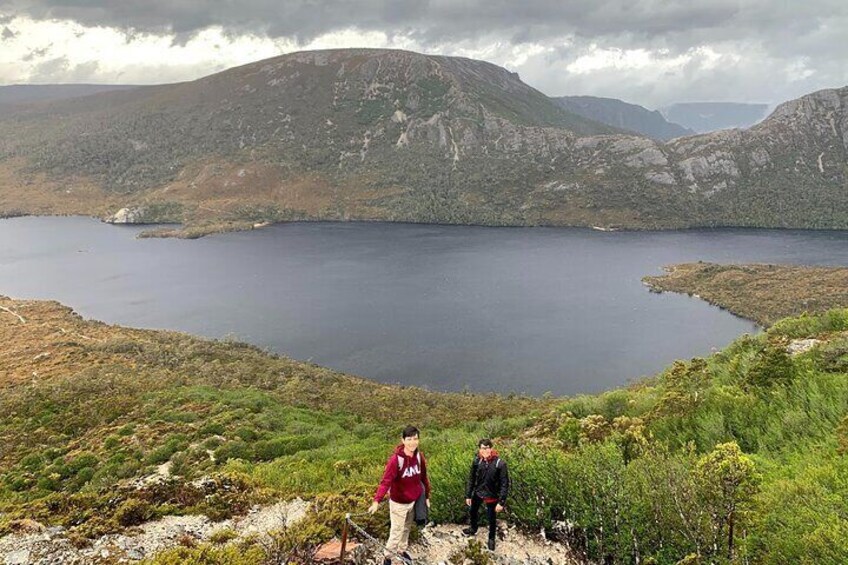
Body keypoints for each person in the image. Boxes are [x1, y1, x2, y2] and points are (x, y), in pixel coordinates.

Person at [369, 426, 431, 565]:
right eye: (409, 439)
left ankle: (402, 552)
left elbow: (424, 478)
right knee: (396, 532)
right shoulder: (396, 460)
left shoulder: (419, 457)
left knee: (406, 528)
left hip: (412, 501)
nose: (412, 442)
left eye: (415, 439)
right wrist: (376, 501)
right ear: (403, 440)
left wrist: (427, 496)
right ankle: (388, 557)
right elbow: (386, 481)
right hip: (398, 504)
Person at [463, 438, 509, 551]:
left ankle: (491, 538)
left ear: (491, 448)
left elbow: (505, 484)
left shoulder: (500, 464)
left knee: (491, 518)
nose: (485, 451)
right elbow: (471, 479)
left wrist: (501, 502)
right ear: (480, 449)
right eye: (483, 448)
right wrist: (468, 495)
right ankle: (473, 528)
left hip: (492, 495)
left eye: (487, 448)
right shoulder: (477, 461)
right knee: (473, 511)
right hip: (478, 492)